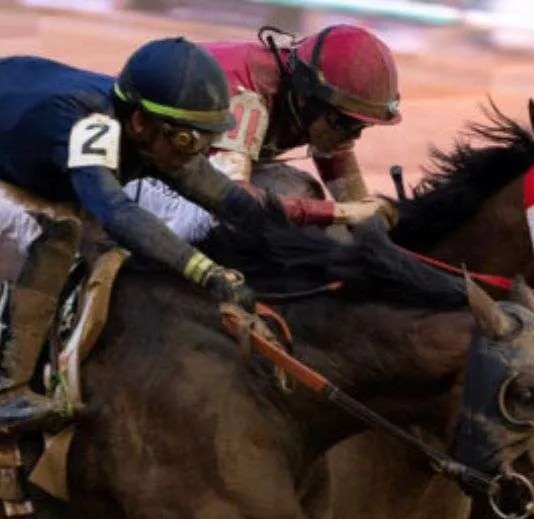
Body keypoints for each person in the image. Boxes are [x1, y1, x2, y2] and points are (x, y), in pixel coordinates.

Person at [0, 38, 266, 434]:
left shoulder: (141, 123)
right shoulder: (90, 126)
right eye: (187, 140)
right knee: (59, 236)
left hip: (19, 117)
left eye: (207, 141)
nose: (196, 153)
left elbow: (220, 194)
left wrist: (288, 234)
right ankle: (8, 393)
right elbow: (117, 213)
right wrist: (207, 272)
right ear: (140, 122)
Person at [128, 24, 401, 240]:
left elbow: (359, 209)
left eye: (361, 127)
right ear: (307, 98)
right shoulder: (249, 99)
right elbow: (231, 201)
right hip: (131, 170)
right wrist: (342, 212)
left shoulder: (309, 103)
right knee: (290, 193)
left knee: (308, 204)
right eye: (344, 124)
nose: (353, 137)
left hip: (189, 166)